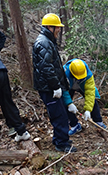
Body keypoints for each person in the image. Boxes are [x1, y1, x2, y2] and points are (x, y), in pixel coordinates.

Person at [32, 13, 76, 152]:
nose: (59, 30)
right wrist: (56, 87)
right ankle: (61, 145)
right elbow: (46, 68)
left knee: (61, 114)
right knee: (59, 116)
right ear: (49, 27)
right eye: (57, 27)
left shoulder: (48, 41)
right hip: (48, 88)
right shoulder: (44, 42)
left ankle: (60, 139)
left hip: (51, 87)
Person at [62, 58, 106, 136]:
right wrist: (69, 103)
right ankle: (75, 125)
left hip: (82, 86)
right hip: (69, 86)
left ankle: (98, 122)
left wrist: (88, 110)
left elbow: (90, 93)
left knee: (93, 101)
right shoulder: (64, 73)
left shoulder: (88, 74)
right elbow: (63, 89)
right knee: (66, 105)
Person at [0, 31, 31, 142]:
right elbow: (2, 36)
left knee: (7, 102)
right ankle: (21, 131)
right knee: (7, 103)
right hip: (2, 72)